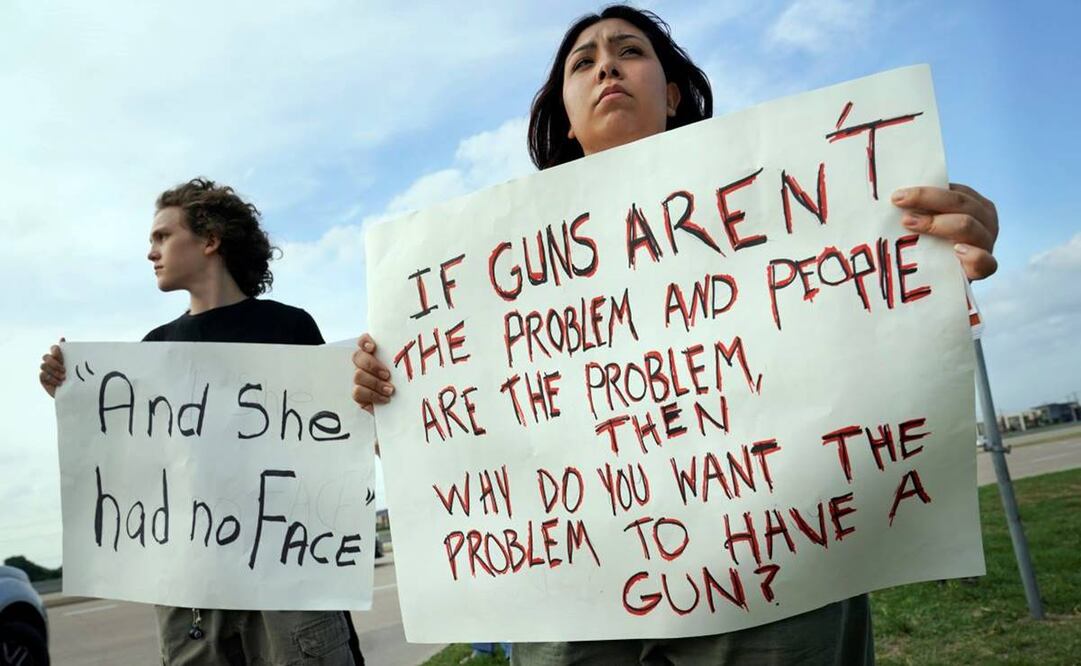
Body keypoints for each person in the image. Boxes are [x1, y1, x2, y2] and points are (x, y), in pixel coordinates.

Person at [352, 6, 999, 664]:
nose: (606, 66)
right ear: (566, 120)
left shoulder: (789, 203)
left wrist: (940, 248)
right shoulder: (491, 276)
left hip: (771, 565)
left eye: (629, 51)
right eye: (583, 62)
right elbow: (472, 416)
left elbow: (860, 320)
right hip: (570, 582)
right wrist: (394, 398)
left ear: (670, 94)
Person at [39, 178, 365, 666]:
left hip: (286, 574)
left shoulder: (287, 327)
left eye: (163, 236)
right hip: (191, 589)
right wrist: (74, 398)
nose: (151, 252)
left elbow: (330, 442)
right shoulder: (154, 349)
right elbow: (134, 464)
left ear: (210, 240)